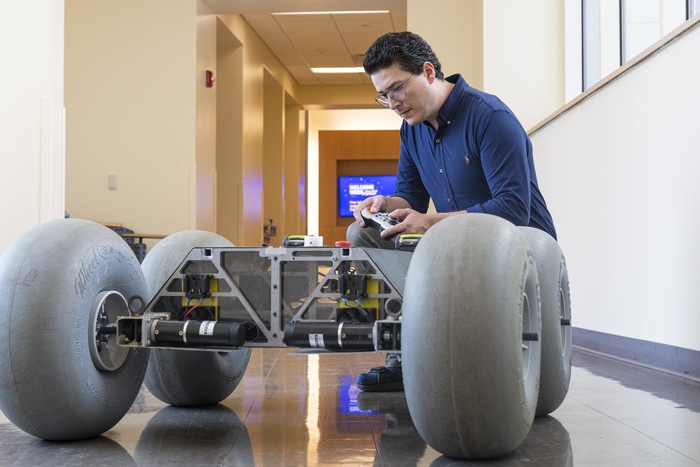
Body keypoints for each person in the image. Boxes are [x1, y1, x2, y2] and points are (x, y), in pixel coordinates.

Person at [350, 31, 557, 392]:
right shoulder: (410, 131)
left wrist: (430, 221)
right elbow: (409, 196)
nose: (393, 103)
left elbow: (513, 209)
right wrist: (384, 205)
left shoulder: (489, 117)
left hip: (518, 244)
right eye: (383, 95)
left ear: (428, 72)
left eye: (397, 88)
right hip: (454, 243)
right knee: (363, 232)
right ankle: (403, 354)